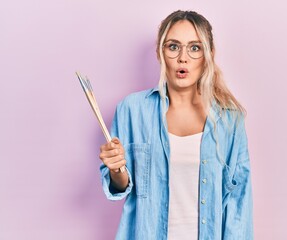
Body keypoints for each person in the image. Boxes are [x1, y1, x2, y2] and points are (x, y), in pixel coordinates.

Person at [99, 10, 253, 240]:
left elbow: (238, 203)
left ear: (208, 55)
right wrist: (116, 168)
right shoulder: (131, 110)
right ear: (160, 53)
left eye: (194, 48)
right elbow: (120, 188)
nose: (183, 58)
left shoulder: (230, 119)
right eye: (173, 46)